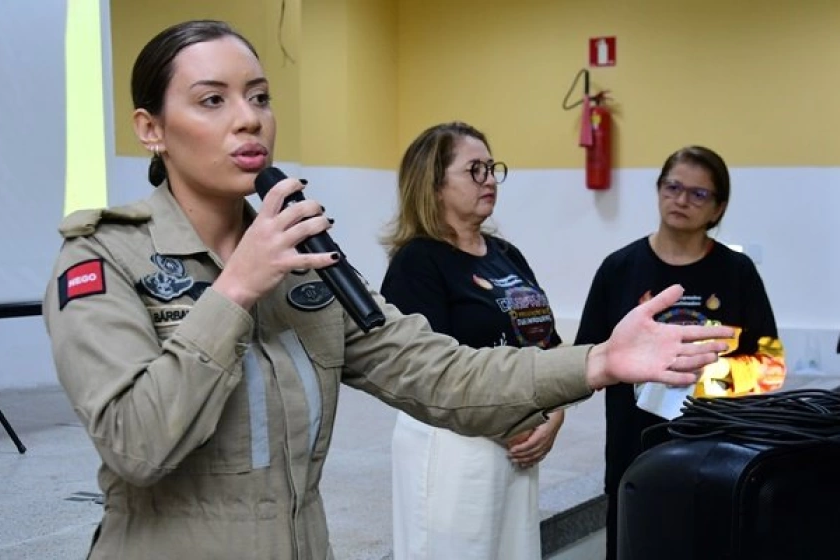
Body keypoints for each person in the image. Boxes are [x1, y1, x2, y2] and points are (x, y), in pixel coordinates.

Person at [42, 21, 732, 560]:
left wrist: (596, 362)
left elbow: (436, 371)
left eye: (259, 97)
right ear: (150, 129)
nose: (248, 118)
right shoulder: (104, 258)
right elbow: (135, 443)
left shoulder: (306, 263)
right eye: (212, 100)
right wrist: (235, 291)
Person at [574, 145, 785, 560]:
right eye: (673, 186)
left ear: (718, 208)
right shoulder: (618, 268)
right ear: (658, 190)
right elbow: (586, 357)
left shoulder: (737, 272)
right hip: (632, 454)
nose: (681, 199)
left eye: (698, 194)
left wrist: (699, 379)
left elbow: (769, 369)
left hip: (716, 454)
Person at [380, 121, 564, 560]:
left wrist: (553, 415)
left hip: (519, 440)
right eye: (474, 170)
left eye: (491, 168)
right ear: (435, 183)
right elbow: (425, 373)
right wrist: (515, 420)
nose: (489, 180)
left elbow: (547, 343)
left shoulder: (506, 255)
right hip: (452, 447)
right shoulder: (417, 262)